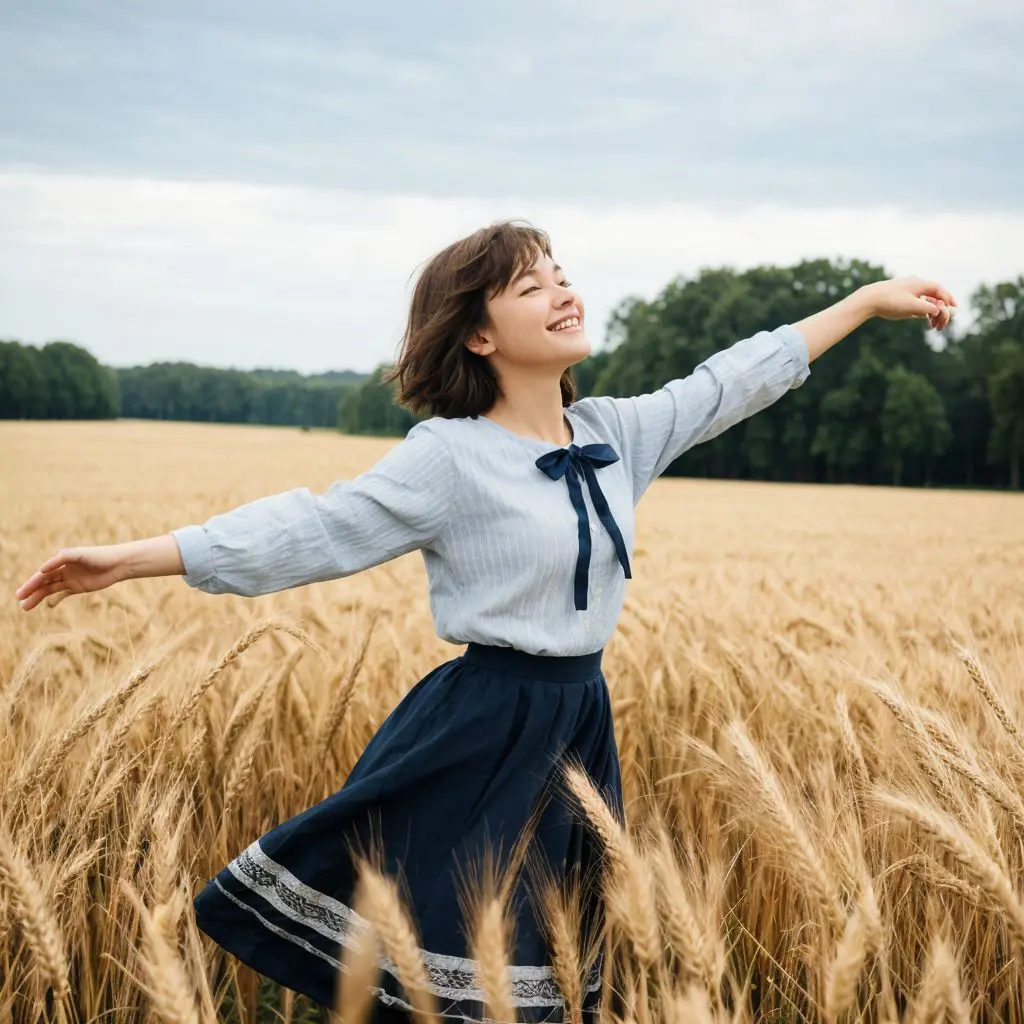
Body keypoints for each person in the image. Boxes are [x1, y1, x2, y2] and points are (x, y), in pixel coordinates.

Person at [15, 221, 955, 1021]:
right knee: (454, 966)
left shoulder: (612, 436)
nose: (561, 293)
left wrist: (866, 302)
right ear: (476, 335)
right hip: (477, 729)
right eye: (528, 285)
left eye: (562, 276)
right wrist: (137, 556)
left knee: (552, 965)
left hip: (579, 728)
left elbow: (732, 380)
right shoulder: (450, 458)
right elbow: (317, 526)